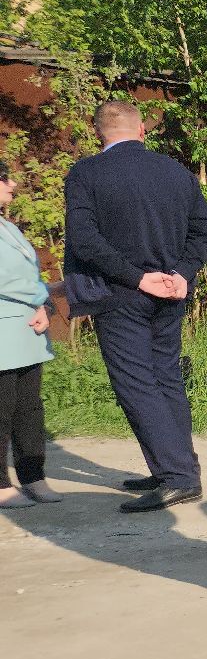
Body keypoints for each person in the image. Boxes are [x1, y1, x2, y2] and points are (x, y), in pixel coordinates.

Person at [61, 100, 207, 512]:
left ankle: (178, 476)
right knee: (166, 378)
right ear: (142, 131)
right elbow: (205, 230)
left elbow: (84, 240)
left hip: (120, 293)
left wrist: (135, 278)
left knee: (136, 384)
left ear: (100, 135)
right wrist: (182, 272)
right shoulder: (175, 171)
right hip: (171, 291)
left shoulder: (86, 173)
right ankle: (173, 467)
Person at [0, 163, 56, 509]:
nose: (13, 184)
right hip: (4, 332)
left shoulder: (8, 226)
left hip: (25, 333)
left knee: (29, 408)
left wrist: (43, 305)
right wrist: (41, 297)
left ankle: (33, 475)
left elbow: (28, 274)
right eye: (6, 178)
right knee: (1, 409)